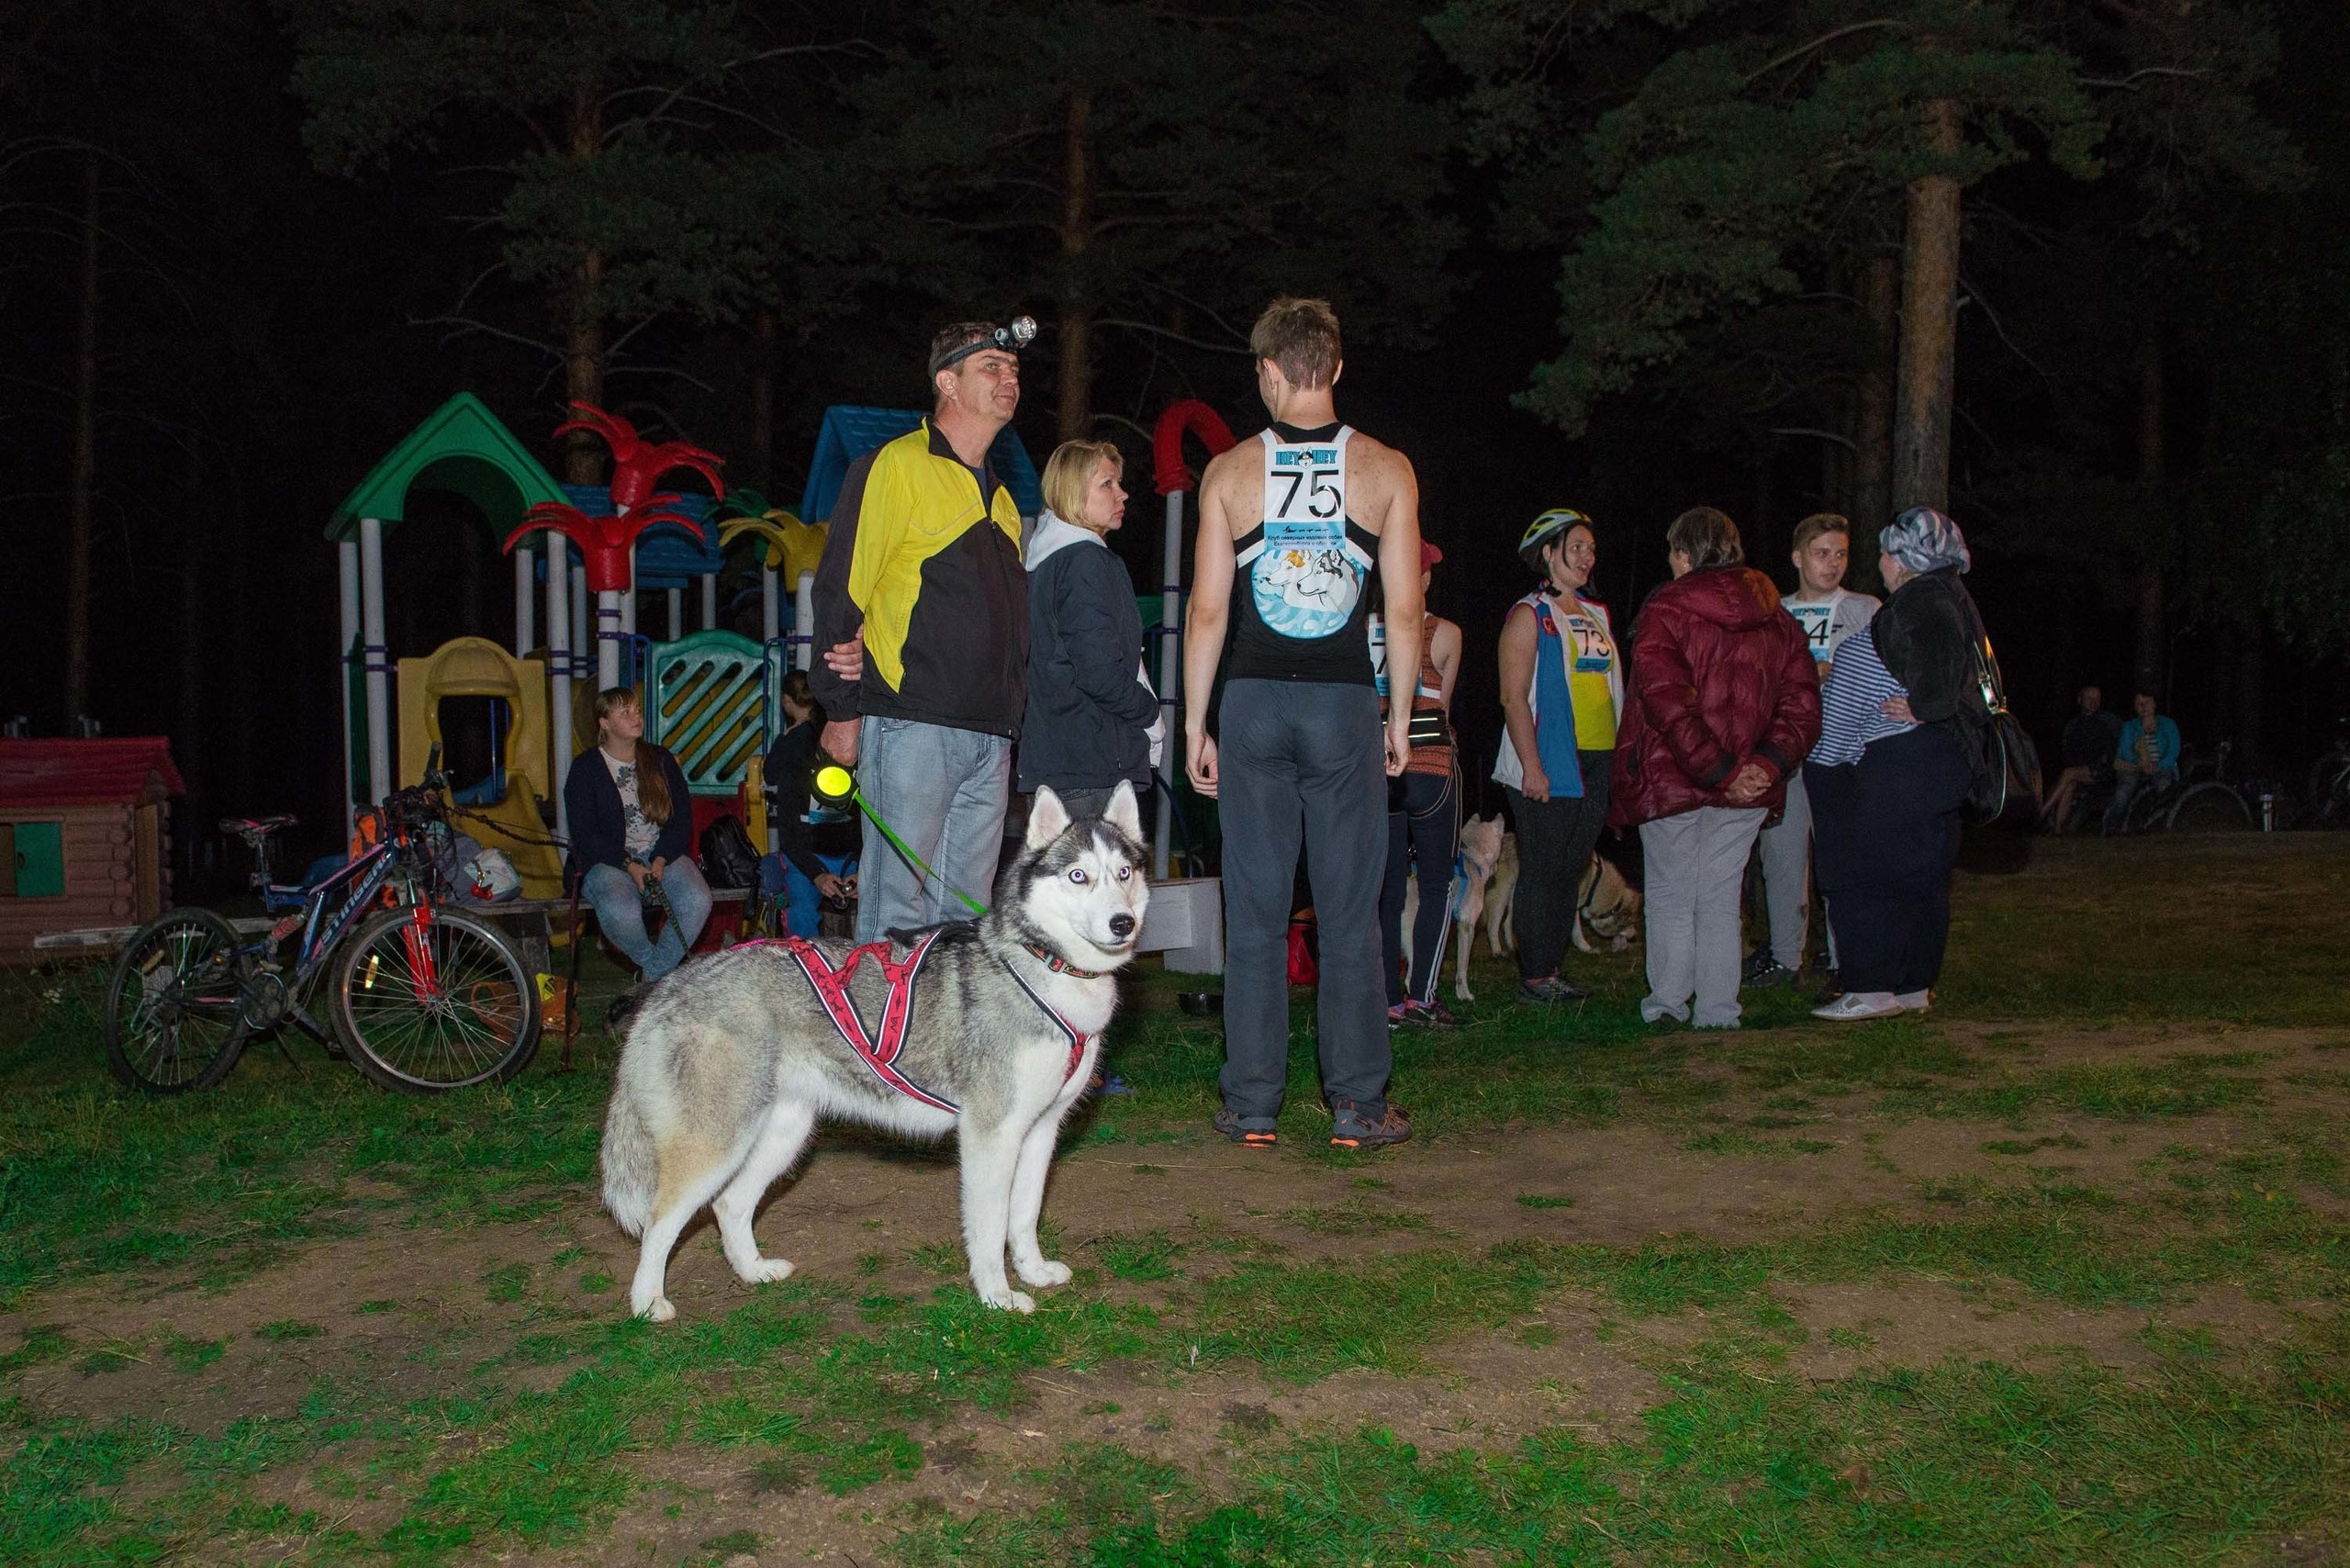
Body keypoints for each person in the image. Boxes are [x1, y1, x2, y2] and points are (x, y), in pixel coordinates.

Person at [1185, 297, 1424, 1151]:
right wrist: (1399, 716)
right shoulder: (1389, 469)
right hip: (1342, 704)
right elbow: (1404, 610)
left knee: (1254, 909)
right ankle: (1357, 1105)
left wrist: (1194, 727)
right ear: (1334, 367)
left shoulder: (1229, 472)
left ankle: (1253, 1105)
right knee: (1350, 908)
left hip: (1251, 701)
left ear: (1269, 373)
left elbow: (1207, 612)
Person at [811, 319, 1031, 938]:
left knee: (967, 918)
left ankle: (944, 1038)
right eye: (990, 366)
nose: (1008, 378)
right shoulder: (895, 466)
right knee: (896, 912)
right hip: (913, 723)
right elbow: (841, 590)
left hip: (991, 735)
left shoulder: (1004, 503)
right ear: (946, 381)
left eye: (1012, 368)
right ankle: (878, 1035)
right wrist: (841, 711)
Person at [1609, 507, 1818, 1029]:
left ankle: (1668, 1005)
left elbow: (1665, 703)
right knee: (1721, 896)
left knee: (1673, 894)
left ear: (1683, 555)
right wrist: (1764, 766)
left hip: (1675, 778)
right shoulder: (1779, 618)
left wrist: (1723, 769)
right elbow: (1803, 705)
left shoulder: (1665, 612)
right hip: (1745, 782)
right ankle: (1719, 1010)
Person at [1806, 508, 1986, 1021]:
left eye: (1886, 552)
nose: (1879, 562)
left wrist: (1825, 760)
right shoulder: (1960, 603)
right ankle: (1913, 986)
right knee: (1923, 878)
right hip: (1942, 761)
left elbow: (1856, 691)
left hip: (1896, 765)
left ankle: (1871, 987)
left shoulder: (1910, 608)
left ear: (1905, 560)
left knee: (1865, 876)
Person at [1494, 509, 1622, 1006]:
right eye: (1577, 547)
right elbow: (1512, 697)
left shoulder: (1598, 614)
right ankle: (1535, 977)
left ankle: (1552, 969)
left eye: (1592, 548)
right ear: (1549, 554)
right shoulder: (1528, 615)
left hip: (1596, 757)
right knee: (1543, 867)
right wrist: (1532, 767)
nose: (1588, 556)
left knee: (1570, 868)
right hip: (1546, 761)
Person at [1750, 513, 1880, 988]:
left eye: (1841, 553)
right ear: (1798, 557)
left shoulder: (1866, 610)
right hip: (1785, 751)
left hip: (1843, 750)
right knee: (1782, 855)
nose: (1833, 564)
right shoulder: (1773, 613)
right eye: (1822, 553)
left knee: (1841, 854)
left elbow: (1880, 677)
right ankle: (1786, 957)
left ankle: (1844, 957)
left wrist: (1835, 676)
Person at [1019, 439, 1163, 820]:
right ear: (1072, 490)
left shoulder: (1045, 560)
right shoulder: (1085, 561)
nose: (1123, 493)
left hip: (1061, 762)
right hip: (1090, 765)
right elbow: (1099, 672)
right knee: (1095, 880)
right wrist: (1151, 714)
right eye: (1107, 484)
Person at [565, 686, 712, 989]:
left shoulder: (659, 760)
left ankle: (649, 980)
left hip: (661, 854)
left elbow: (682, 818)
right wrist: (629, 865)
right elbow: (585, 833)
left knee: (698, 899)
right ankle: (656, 972)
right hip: (608, 860)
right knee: (622, 912)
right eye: (626, 712)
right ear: (604, 723)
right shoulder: (585, 768)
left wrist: (660, 858)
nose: (636, 716)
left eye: (637, 710)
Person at [1376, 540, 1462, 1028]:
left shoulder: (1365, 629)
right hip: (1430, 767)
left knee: (1386, 889)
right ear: (1425, 579)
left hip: (1379, 767)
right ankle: (1422, 997)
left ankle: (1388, 999)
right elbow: (1442, 710)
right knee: (1435, 884)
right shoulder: (1445, 633)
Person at [758, 669, 858, 938]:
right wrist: (817, 875)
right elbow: (789, 836)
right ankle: (807, 965)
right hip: (807, 856)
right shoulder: (795, 765)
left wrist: (863, 871)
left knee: (878, 903)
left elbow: (871, 829)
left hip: (850, 858)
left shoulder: (859, 771)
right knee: (802, 909)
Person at [2039, 684, 2123, 833]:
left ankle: (2041, 812)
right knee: (2069, 783)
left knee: (2068, 774)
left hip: (2104, 771)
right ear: (2080, 700)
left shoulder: (2109, 721)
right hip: (2081, 771)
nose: (2093, 702)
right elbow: (2067, 751)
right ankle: (2058, 829)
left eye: (2097, 699)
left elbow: (2117, 747)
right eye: (2089, 698)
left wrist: (2106, 761)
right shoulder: (2073, 724)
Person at [2103, 692, 2181, 834]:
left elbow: (2174, 749)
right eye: (2139, 703)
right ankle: (2112, 827)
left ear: (2154, 705)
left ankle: (2157, 824)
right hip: (2135, 767)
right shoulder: (2129, 726)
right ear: (2135, 706)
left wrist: (2159, 765)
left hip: (2161, 766)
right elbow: (2124, 751)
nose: (2144, 706)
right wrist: (2141, 763)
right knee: (2125, 789)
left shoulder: (2168, 724)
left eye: (2147, 702)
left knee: (2164, 786)